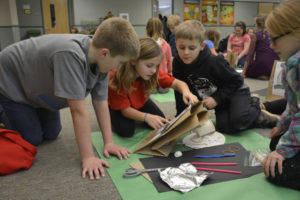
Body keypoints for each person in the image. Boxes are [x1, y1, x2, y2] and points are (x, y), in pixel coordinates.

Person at [0, 17, 140, 180]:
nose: (119, 67)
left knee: (52, 133)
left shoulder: (101, 60)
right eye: (121, 62)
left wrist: (109, 142)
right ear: (105, 53)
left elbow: (101, 103)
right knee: (32, 139)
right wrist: (88, 157)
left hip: (37, 88)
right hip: (11, 84)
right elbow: (78, 111)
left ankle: (32, 108)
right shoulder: (70, 55)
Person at [172, 20, 279, 134]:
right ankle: (253, 118)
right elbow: (180, 91)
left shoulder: (214, 61)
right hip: (221, 96)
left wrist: (216, 99)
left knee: (239, 121)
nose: (186, 53)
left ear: (202, 46)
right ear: (176, 44)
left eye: (192, 48)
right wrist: (179, 117)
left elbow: (237, 80)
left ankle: (255, 104)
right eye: (181, 47)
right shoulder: (178, 62)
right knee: (224, 128)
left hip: (236, 90)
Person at [108, 37, 198, 137]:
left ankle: (139, 115)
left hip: (140, 101)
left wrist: (187, 92)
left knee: (160, 122)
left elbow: (178, 83)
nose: (154, 71)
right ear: (133, 60)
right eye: (149, 65)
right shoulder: (116, 78)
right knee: (126, 131)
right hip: (119, 107)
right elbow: (125, 110)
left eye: (156, 66)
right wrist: (146, 117)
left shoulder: (152, 72)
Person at [262, 0, 300, 190]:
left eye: (275, 39)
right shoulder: (293, 63)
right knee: (276, 144)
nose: (271, 45)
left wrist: (285, 150)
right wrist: (282, 125)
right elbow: (293, 105)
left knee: (277, 169)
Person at [146, 17, 173, 93]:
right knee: (164, 89)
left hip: (149, 78)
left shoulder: (145, 45)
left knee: (151, 90)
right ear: (161, 30)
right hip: (163, 78)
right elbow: (169, 62)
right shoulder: (166, 45)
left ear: (147, 30)